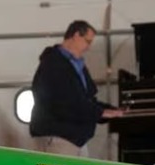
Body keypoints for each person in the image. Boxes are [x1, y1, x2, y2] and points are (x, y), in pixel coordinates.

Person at [30, 20, 125, 157]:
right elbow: (66, 102)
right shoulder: (53, 64)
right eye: (87, 41)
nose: (88, 47)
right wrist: (100, 112)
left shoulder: (75, 65)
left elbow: (85, 99)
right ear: (75, 36)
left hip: (75, 138)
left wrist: (111, 111)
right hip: (58, 137)